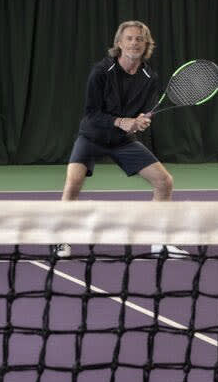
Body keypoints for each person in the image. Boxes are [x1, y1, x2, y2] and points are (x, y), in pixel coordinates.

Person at [56, 20, 177, 258]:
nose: (134, 43)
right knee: (73, 182)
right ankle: (61, 240)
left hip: (122, 141)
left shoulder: (149, 76)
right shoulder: (101, 71)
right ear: (119, 43)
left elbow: (139, 112)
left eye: (139, 39)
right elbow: (91, 113)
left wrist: (140, 120)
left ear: (146, 45)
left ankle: (158, 242)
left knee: (164, 182)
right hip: (92, 136)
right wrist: (121, 121)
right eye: (129, 38)